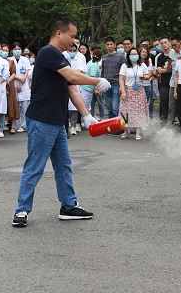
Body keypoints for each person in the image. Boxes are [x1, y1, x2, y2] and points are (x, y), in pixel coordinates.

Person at [12, 17, 111, 227]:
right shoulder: (48, 52)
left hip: (57, 121)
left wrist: (86, 114)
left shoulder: (60, 57)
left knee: (63, 165)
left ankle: (68, 206)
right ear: (59, 33)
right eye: (72, 36)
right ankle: (21, 210)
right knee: (35, 166)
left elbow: (71, 87)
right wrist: (97, 81)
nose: (74, 42)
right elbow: (73, 77)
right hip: (41, 120)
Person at [118, 47, 150, 140]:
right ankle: (126, 131)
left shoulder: (142, 65)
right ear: (128, 56)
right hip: (128, 90)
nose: (134, 56)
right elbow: (121, 78)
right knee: (125, 111)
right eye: (132, 54)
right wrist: (123, 91)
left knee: (138, 111)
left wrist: (145, 77)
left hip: (139, 91)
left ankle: (138, 133)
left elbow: (147, 75)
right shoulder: (124, 66)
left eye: (135, 54)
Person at [101, 37, 123, 119]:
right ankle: (112, 125)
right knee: (109, 107)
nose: (109, 46)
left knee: (115, 107)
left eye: (111, 44)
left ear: (114, 45)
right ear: (105, 46)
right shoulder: (104, 57)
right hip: (106, 85)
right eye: (108, 45)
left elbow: (123, 73)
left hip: (116, 84)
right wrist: (100, 85)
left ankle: (118, 125)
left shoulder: (120, 57)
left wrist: (122, 86)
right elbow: (102, 72)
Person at [11, 42, 31, 133]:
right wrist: (19, 80)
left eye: (19, 49)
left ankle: (24, 125)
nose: (17, 51)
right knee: (16, 107)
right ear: (12, 51)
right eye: (15, 49)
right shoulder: (9, 60)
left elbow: (26, 73)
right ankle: (16, 125)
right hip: (13, 85)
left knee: (24, 108)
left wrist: (21, 82)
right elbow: (11, 74)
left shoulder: (25, 60)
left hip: (24, 86)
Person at [155, 37, 173, 126]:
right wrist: (169, 69)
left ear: (169, 43)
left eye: (165, 42)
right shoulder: (160, 57)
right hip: (164, 83)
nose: (163, 45)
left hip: (174, 83)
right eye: (161, 43)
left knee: (174, 103)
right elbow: (159, 71)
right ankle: (164, 121)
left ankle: (174, 120)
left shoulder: (175, 54)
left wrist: (164, 69)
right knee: (164, 101)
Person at [138, 46, 155, 119]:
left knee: (146, 103)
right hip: (138, 85)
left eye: (146, 52)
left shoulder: (149, 62)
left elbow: (150, 73)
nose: (144, 54)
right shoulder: (136, 62)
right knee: (138, 104)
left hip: (147, 85)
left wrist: (146, 77)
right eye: (143, 52)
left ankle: (146, 119)